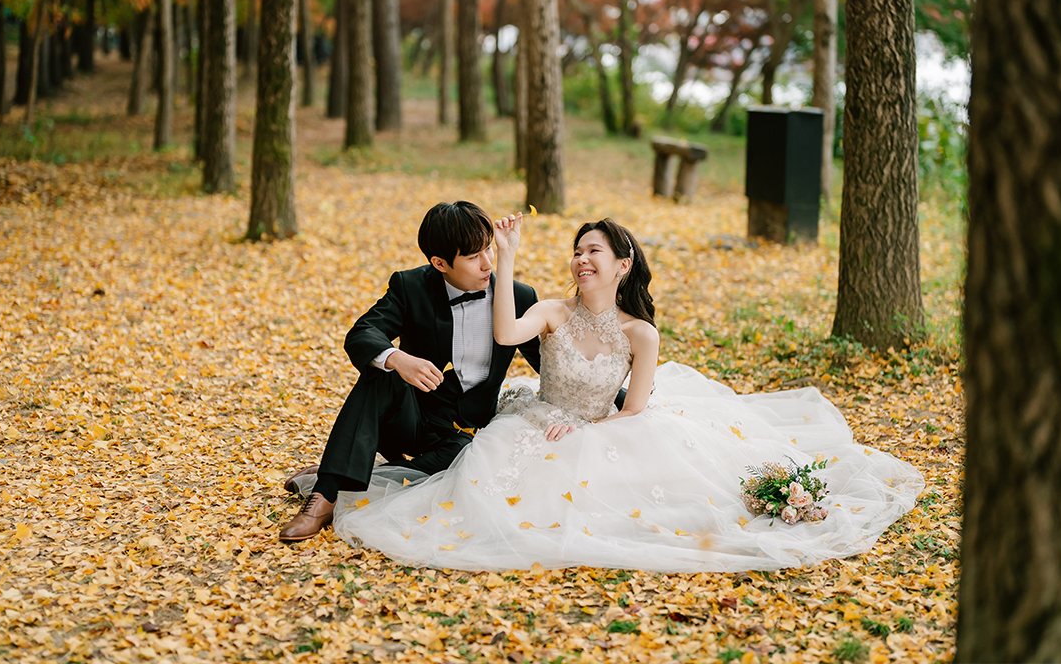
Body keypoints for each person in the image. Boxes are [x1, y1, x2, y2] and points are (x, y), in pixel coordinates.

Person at [331, 216, 925, 572]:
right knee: (488, 484)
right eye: (578, 249)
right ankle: (335, 484)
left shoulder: (642, 334)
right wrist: (506, 256)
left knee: (649, 492)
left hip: (599, 425)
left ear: (622, 262)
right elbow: (507, 332)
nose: (581, 258)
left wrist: (588, 426)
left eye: (593, 250)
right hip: (536, 418)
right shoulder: (552, 309)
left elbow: (635, 409)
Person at [278, 201, 542, 542]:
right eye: (474, 256)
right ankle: (325, 494)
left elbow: (550, 363)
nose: (488, 263)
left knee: (452, 472)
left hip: (462, 435)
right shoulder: (411, 286)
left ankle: (346, 470)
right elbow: (362, 334)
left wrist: (617, 398)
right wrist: (398, 359)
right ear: (440, 263)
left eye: (488, 248)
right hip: (408, 418)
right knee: (380, 370)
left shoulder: (517, 296)